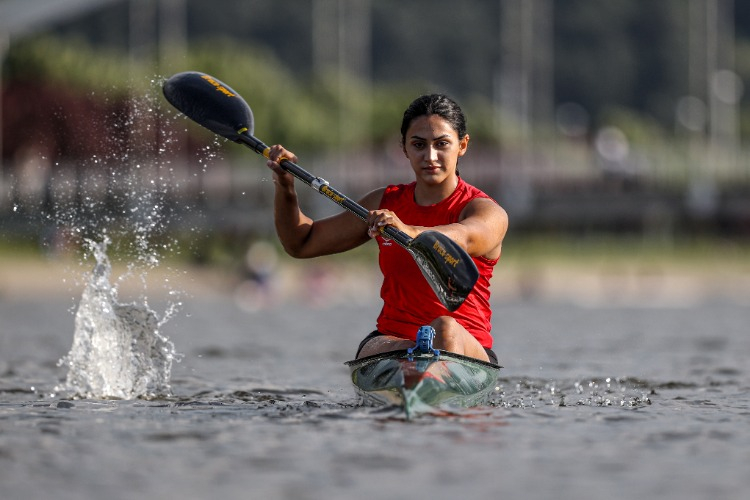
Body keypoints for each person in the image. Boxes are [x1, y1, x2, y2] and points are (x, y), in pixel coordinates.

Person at [265, 94, 508, 363]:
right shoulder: (385, 203)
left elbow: (465, 237)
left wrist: (408, 231)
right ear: (404, 148)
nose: (430, 156)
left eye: (442, 144)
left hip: (465, 346)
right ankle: (414, 364)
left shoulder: (486, 211)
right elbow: (301, 243)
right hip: (394, 341)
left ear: (462, 145)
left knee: (445, 328)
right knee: (374, 347)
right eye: (418, 144)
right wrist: (285, 186)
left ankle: (420, 368)